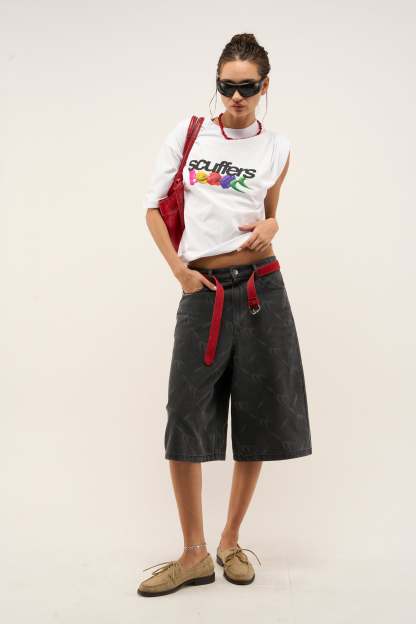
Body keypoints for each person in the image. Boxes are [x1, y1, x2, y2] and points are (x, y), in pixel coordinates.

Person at [138, 32, 312, 598]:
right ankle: (193, 553)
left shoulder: (278, 147)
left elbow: (269, 216)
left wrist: (273, 226)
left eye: (247, 87)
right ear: (216, 85)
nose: (236, 97)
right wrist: (180, 272)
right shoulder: (189, 134)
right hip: (203, 290)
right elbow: (153, 209)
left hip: (261, 288)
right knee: (185, 414)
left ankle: (230, 541)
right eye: (226, 86)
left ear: (265, 87)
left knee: (256, 412)